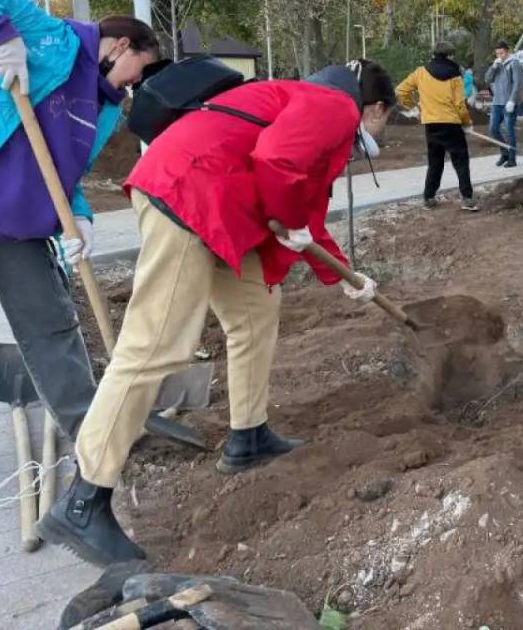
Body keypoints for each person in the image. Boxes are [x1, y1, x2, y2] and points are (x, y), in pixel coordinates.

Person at [38, 58, 395, 565]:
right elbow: (278, 162)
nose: (378, 134)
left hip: (219, 203)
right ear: (375, 107)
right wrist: (290, 217)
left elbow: (306, 210)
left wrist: (346, 277)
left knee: (255, 313)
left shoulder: (304, 101)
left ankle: (248, 437)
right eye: (384, 121)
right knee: (156, 346)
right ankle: (83, 501)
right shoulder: (336, 104)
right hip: (189, 196)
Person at [0, 0, 160, 449]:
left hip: (9, 217)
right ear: (120, 46)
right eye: (142, 67)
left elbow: (66, 172)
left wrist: (79, 215)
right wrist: (0, 32)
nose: (137, 82)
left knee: (49, 316)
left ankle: (94, 433)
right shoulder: (45, 33)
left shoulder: (106, 109)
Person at [398, 42, 478, 211]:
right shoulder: (455, 76)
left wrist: (413, 108)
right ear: (449, 56)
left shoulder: (421, 72)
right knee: (461, 161)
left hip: (431, 124)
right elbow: (459, 105)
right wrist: (467, 123)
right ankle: (468, 198)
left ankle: (429, 197)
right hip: (452, 124)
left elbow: (400, 91)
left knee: (435, 162)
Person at [484, 39, 523, 167]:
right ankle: (504, 153)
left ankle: (512, 159)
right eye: (497, 54)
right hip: (497, 102)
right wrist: (493, 66)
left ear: (507, 52)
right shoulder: (497, 64)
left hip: (509, 103)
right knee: (493, 129)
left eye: (501, 53)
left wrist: (512, 100)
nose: (500, 56)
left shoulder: (514, 63)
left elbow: (518, 83)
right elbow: (487, 79)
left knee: (509, 130)